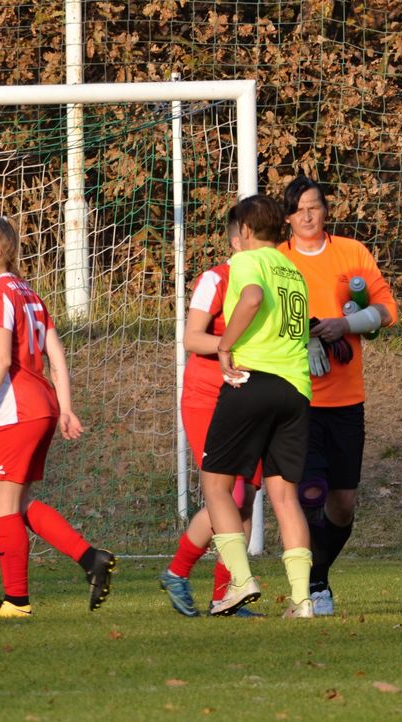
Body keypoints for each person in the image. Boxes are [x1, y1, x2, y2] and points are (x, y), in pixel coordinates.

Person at [0, 216, 115, 618]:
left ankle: (16, 601)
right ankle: (91, 559)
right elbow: (57, 356)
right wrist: (64, 407)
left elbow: (1, 360)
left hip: (17, 410)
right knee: (17, 500)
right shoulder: (28, 292)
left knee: (4, 504)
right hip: (42, 407)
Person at [278, 176, 398, 616]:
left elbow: (387, 310)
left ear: (326, 210)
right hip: (296, 399)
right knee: (309, 492)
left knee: (342, 505)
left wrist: (344, 325)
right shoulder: (277, 261)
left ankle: (318, 577)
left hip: (347, 400)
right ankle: (309, 588)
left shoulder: (352, 253)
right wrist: (304, 337)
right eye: (299, 210)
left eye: (314, 206)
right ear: (287, 218)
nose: (308, 216)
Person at [199, 195, 315, 618]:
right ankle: (302, 600)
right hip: (296, 389)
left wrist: (224, 346)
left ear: (245, 231)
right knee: (285, 496)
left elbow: (250, 298)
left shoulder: (248, 260)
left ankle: (241, 579)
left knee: (215, 484)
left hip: (253, 380)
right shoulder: (293, 270)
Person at [157, 218, 263, 618]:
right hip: (209, 399)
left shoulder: (271, 281)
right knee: (230, 495)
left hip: (252, 400)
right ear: (238, 241)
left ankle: (226, 596)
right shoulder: (215, 279)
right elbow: (192, 337)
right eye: (260, 239)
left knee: (246, 499)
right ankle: (178, 570)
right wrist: (235, 347)